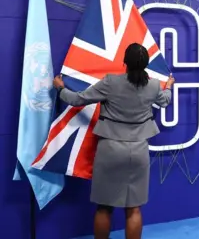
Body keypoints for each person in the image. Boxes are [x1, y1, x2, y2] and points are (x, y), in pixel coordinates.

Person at [52, 43, 175, 239]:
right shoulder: (153, 85)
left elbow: (77, 99)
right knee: (133, 208)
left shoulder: (110, 82)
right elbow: (165, 100)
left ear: (124, 62)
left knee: (104, 208)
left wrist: (60, 89)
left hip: (110, 151)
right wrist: (168, 87)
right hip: (139, 152)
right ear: (145, 64)